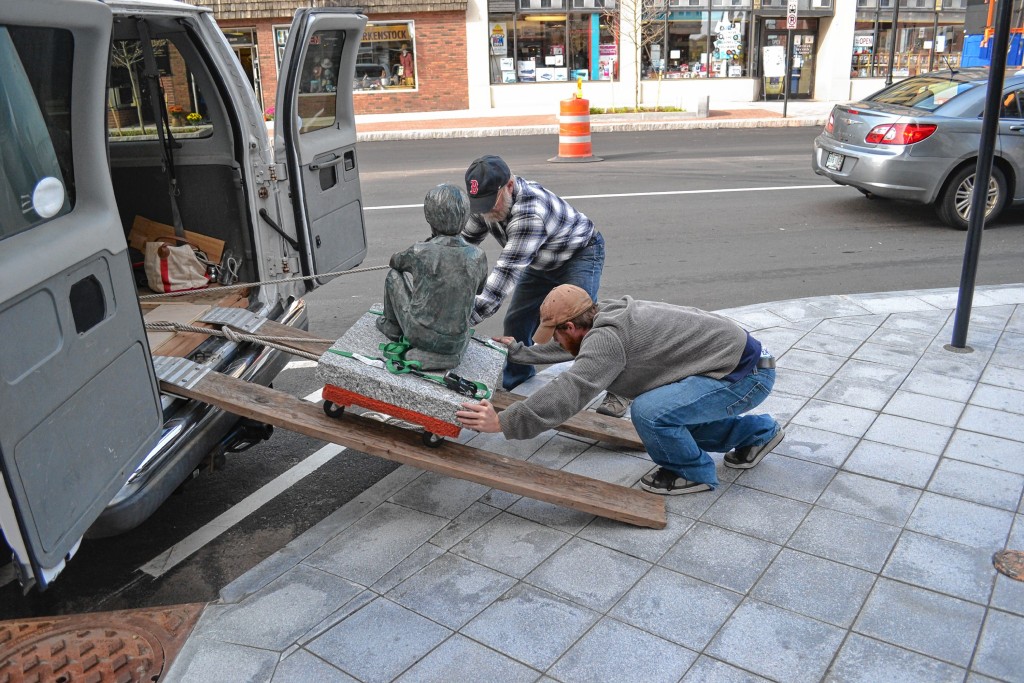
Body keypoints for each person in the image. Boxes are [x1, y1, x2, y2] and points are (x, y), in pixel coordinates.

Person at [455, 284, 786, 495]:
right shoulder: (603, 316)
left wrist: (505, 422)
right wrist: (521, 352)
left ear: (570, 326)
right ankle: (759, 433)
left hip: (742, 376)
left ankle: (694, 472)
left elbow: (572, 388)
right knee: (669, 418)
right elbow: (579, 349)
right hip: (739, 362)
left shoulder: (606, 338)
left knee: (652, 413)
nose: (555, 340)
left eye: (556, 333)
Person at [462, 154, 610, 398]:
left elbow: (502, 278)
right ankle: (519, 381)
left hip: (580, 254)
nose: (485, 211)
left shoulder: (529, 213)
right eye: (481, 204)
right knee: (517, 321)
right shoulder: (486, 204)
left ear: (509, 185)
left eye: (491, 202)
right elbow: (462, 243)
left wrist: (457, 322)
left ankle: (598, 387)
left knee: (578, 328)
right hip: (541, 259)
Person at [376, 184, 489, 370]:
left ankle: (391, 327)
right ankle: (447, 355)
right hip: (457, 340)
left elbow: (395, 262)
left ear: (429, 217)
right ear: (466, 216)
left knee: (394, 277)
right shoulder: (478, 255)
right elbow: (479, 290)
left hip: (420, 334)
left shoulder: (421, 251)